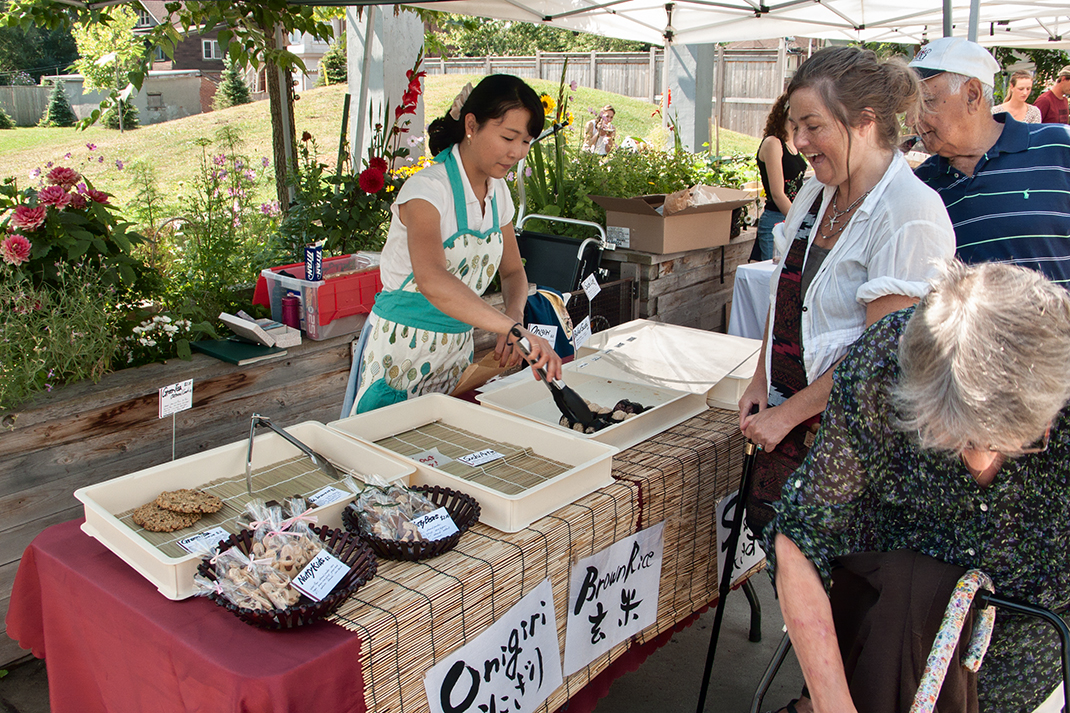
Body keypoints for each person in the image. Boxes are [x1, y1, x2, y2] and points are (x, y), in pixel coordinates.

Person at [767, 260, 1070, 713]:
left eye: (1003, 443)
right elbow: (802, 535)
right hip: (889, 641)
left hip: (1029, 661)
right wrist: (833, 703)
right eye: (959, 441)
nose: (980, 461)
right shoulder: (885, 362)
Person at [737, 46, 955, 533]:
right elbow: (786, 295)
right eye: (794, 127)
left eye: (813, 126)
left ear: (865, 121)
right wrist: (761, 379)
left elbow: (880, 355)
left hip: (856, 449)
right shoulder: (818, 191)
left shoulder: (908, 211)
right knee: (790, 575)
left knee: (838, 590)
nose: (798, 142)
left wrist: (788, 415)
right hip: (791, 427)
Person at [342, 75, 562, 416]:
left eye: (526, 142)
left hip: (455, 354)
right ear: (471, 125)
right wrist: (511, 329)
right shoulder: (427, 191)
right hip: (399, 352)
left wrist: (514, 316)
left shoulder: (497, 192)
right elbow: (431, 279)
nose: (517, 152)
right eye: (508, 137)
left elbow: (513, 271)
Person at [910, 38, 1070, 287]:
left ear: (972, 95)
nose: (912, 119)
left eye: (926, 101)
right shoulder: (922, 183)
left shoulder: (1058, 146)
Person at [752, 93, 808, 262]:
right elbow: (777, 193)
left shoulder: (795, 144)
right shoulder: (773, 143)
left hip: (792, 218)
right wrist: (798, 221)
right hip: (777, 220)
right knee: (772, 276)